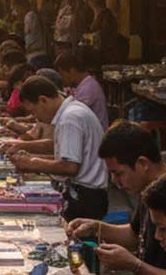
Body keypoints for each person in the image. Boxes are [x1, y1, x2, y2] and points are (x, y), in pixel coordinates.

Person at [66, 122, 166, 275]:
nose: (115, 182)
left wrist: (134, 265)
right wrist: (96, 227)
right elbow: (134, 234)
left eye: (118, 173)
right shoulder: (150, 189)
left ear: (142, 164)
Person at [8, 76, 109, 220]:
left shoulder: (70, 118)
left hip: (85, 197)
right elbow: (62, 154)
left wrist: (33, 163)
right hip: (86, 193)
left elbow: (69, 166)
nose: (36, 118)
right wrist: (28, 156)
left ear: (43, 100)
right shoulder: (71, 112)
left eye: (34, 111)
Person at [56, 49, 109, 130]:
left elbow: (73, 115)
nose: (62, 78)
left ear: (71, 71)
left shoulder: (88, 88)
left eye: (62, 74)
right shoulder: (84, 85)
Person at [15, 0, 49, 69]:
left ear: (22, 6)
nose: (17, 12)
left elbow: (29, 33)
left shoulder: (29, 16)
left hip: (36, 55)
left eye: (17, 9)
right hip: (35, 54)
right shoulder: (32, 15)